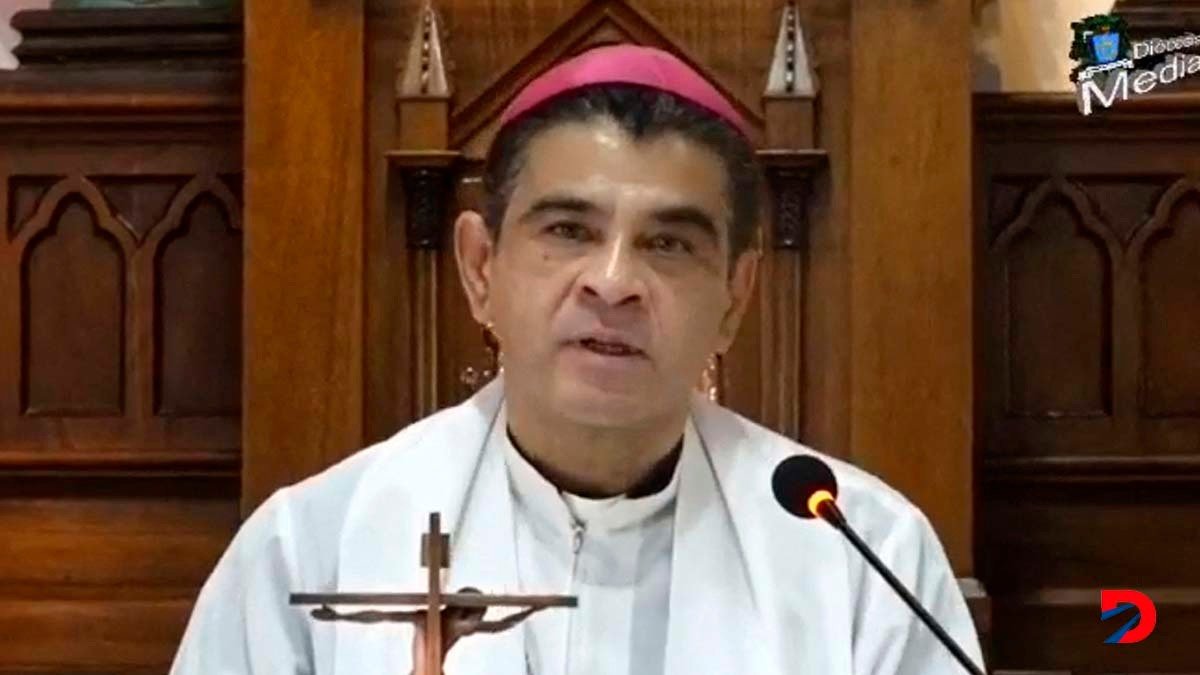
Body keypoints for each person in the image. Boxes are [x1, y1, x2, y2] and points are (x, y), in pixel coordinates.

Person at [169, 44, 983, 675]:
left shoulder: (859, 553)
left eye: (668, 243)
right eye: (568, 230)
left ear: (735, 297)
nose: (615, 281)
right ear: (480, 267)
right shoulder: (312, 546)